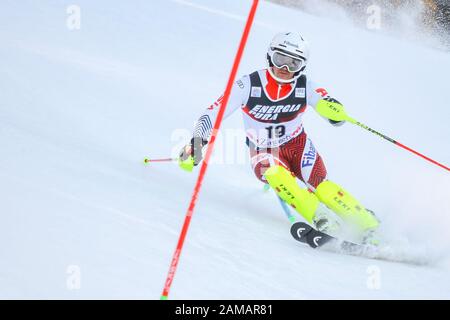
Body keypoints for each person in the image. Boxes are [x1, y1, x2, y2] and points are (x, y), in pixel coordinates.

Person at [180, 32, 379, 244]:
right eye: (280, 59)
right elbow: (211, 114)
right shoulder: (247, 85)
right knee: (276, 174)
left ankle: (367, 224)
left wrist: (335, 111)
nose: (285, 69)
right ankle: (324, 220)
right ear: (269, 56)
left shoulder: (305, 86)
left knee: (321, 185)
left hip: (298, 145)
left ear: (302, 66)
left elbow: (330, 109)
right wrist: (197, 144)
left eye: (293, 63)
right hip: (263, 150)